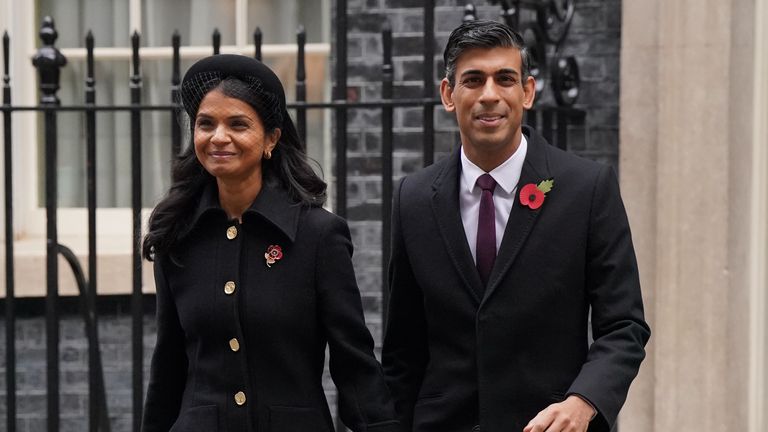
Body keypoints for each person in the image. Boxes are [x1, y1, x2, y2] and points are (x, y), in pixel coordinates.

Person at [382, 20, 650, 432]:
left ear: (526, 92)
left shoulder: (587, 188)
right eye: (473, 80)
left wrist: (583, 402)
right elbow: (403, 350)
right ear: (448, 95)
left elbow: (624, 326)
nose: (490, 95)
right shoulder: (413, 199)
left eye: (504, 79)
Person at [141, 54, 401, 432]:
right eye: (205, 124)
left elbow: (354, 364)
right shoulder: (176, 235)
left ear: (271, 139)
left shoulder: (317, 236)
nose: (218, 137)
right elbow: (168, 367)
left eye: (238, 124)